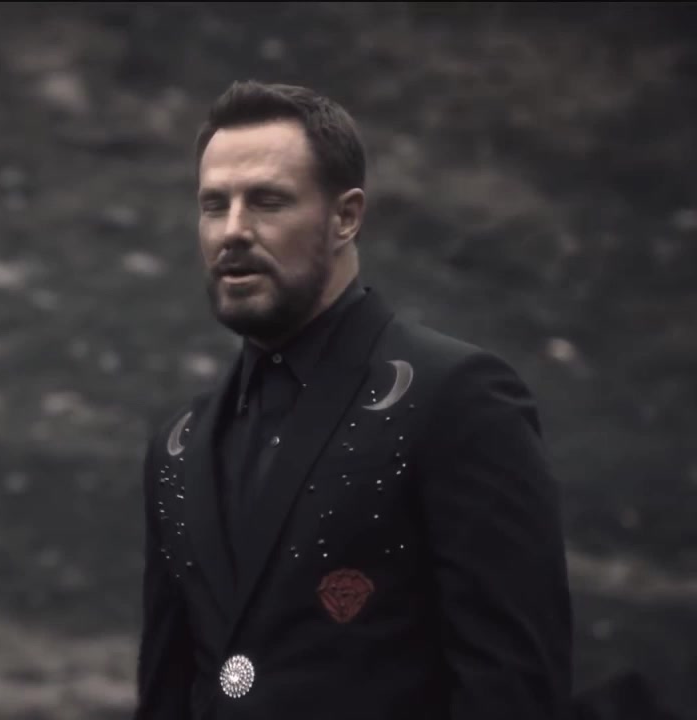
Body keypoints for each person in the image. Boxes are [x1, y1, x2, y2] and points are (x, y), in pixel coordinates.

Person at [133, 81, 574, 720]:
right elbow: (168, 692)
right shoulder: (178, 445)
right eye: (213, 205)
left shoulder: (456, 398)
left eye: (267, 201)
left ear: (345, 217)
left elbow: (513, 689)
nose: (233, 230)